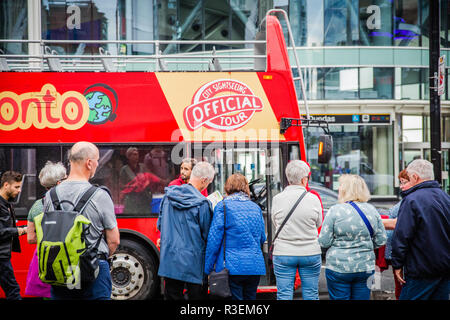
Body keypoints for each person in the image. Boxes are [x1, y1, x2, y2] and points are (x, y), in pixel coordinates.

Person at [43, 141, 120, 300]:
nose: (98, 164)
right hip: (93, 269)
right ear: (89, 163)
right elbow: (114, 241)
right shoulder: (100, 195)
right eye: (97, 160)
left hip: (59, 269)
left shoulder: (51, 195)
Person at [318, 174, 387, 300]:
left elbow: (323, 241)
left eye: (340, 186)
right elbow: (381, 239)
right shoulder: (372, 210)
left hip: (338, 267)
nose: (338, 189)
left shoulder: (335, 211)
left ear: (345, 190)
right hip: (364, 267)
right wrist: (365, 245)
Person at [391, 159, 450, 300]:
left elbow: (402, 235)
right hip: (445, 267)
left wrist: (397, 264)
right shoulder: (445, 198)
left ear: (415, 177)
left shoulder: (412, 200)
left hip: (421, 268)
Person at [157, 161, 215, 300]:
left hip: (170, 259)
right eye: (208, 183)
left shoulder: (168, 197)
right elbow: (207, 234)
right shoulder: (202, 203)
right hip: (194, 262)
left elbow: (160, 225)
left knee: (172, 295)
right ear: (204, 180)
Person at [205, 173, 266, 300]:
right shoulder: (256, 208)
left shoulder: (222, 206)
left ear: (228, 187)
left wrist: (208, 268)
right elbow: (262, 238)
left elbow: (214, 240)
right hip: (254, 266)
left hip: (232, 267)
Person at [271, 160, 323, 300]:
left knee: (284, 294)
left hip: (283, 252)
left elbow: (275, 223)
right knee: (311, 294)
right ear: (303, 179)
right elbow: (319, 223)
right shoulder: (314, 198)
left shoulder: (277, 199)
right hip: (310, 252)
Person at [25, 161, 67, 299]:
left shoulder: (37, 206)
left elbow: (30, 238)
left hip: (44, 259)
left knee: (47, 295)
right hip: (66, 258)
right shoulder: (70, 202)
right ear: (60, 182)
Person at [382, 169, 412, 300]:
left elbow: (399, 234)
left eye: (403, 182)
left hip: (404, 256)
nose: (401, 186)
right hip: (403, 255)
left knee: (403, 289)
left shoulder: (408, 203)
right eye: (400, 182)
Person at [0, 171, 26, 300]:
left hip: (3, 255)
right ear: (6, 185)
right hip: (1, 257)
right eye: (16, 187)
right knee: (13, 291)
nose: (20, 190)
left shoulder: (7, 204)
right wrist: (21, 230)